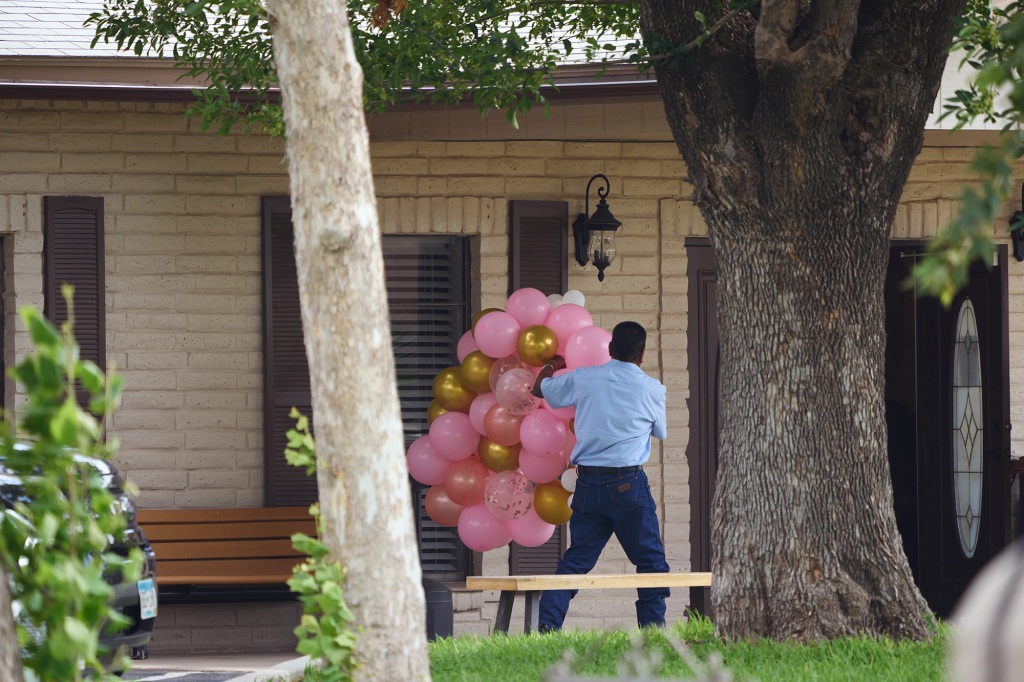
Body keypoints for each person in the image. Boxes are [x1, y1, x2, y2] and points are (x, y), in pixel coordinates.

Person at [530, 320, 670, 631]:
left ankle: (547, 630)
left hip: (589, 483)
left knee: (576, 560)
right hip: (628, 484)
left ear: (609, 349)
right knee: (650, 562)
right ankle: (653, 633)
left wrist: (553, 363)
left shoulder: (584, 378)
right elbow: (660, 431)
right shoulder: (652, 389)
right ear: (642, 355)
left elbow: (540, 389)